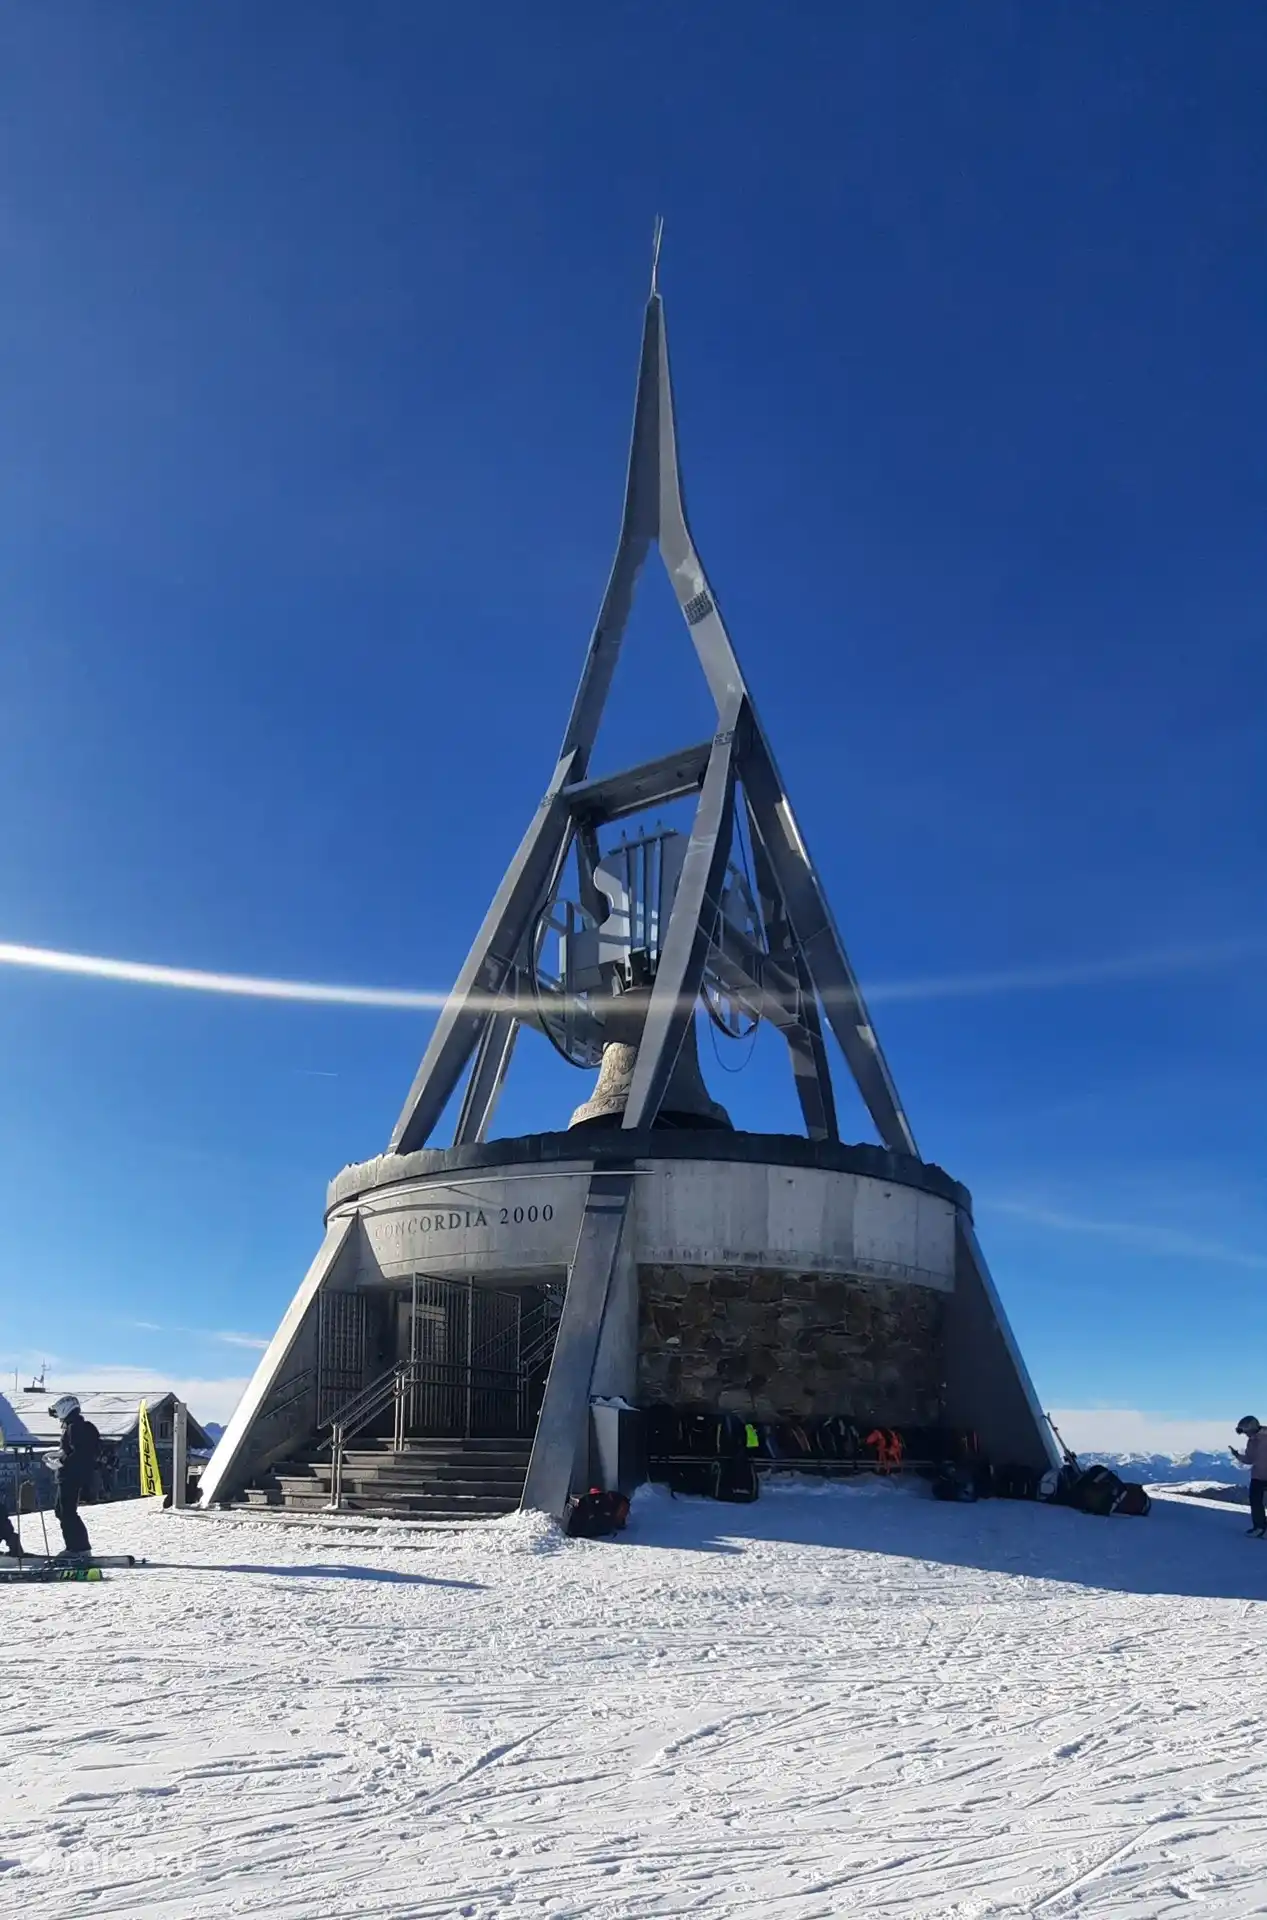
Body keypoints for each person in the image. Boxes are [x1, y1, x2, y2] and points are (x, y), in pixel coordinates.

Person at [49, 1394, 101, 1561]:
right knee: (61, 1511)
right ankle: (75, 1547)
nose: (58, 1417)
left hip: (71, 1476)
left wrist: (61, 1461)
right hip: (70, 1475)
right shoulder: (75, 1426)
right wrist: (58, 1456)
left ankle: (79, 1548)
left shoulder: (75, 1427)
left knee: (67, 1512)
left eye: (58, 1412)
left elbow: (79, 1453)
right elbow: (73, 1451)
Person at [1232, 1416, 1267, 1538]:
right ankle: (1260, 1527)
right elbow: (1250, 1459)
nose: (1246, 1435)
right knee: (1255, 1502)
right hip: (1257, 1476)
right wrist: (1237, 1455)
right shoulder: (1251, 1441)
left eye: (1246, 1431)